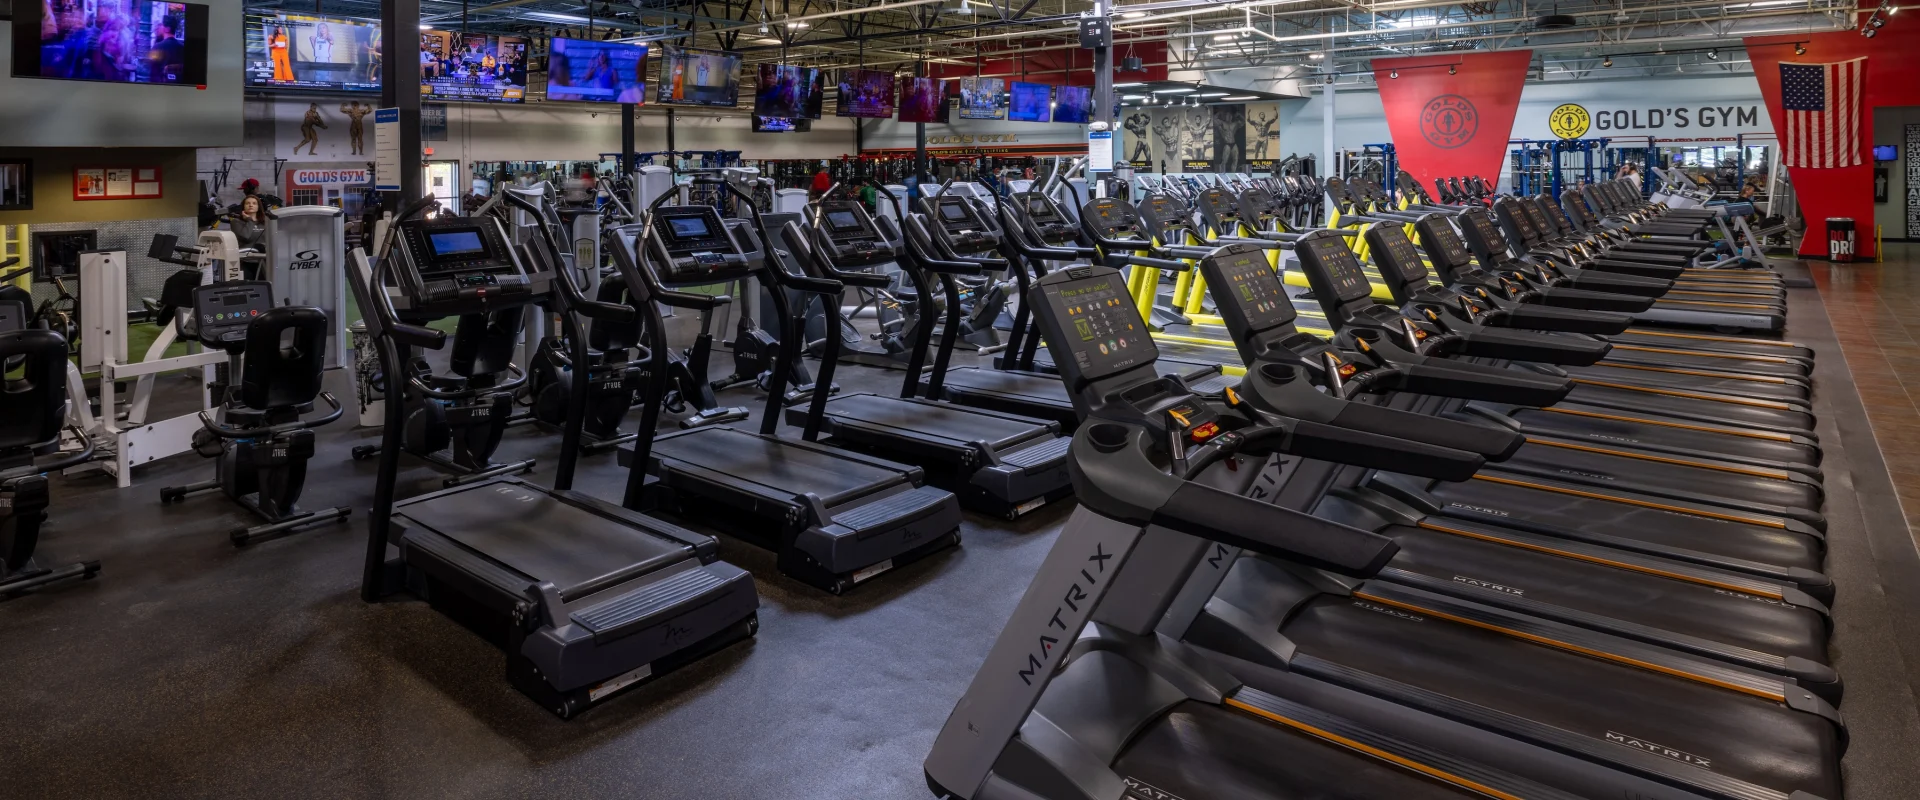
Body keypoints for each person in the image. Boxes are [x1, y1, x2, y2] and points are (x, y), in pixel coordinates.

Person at [148, 14, 185, 83]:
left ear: (167, 29)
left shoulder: (156, 47)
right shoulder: (182, 48)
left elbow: (152, 73)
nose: (158, 27)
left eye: (161, 25)